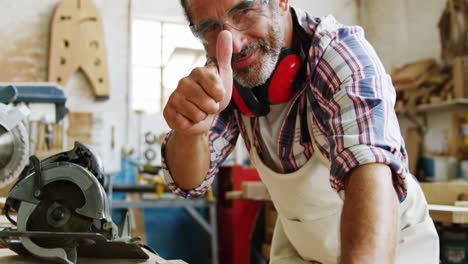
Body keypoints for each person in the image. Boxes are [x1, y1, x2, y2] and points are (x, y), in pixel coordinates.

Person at [161, 0, 440, 263]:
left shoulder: (342, 56)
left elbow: (373, 175)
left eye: (244, 11)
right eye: (210, 28)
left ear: (281, 1)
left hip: (390, 247)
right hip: (302, 247)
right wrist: (192, 132)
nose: (232, 44)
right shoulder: (224, 71)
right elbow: (188, 184)